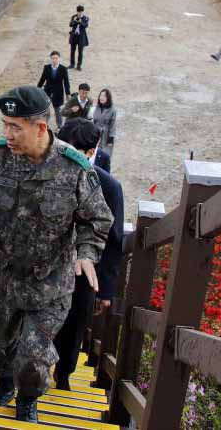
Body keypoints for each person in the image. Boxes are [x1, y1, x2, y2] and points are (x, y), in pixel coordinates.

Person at [0, 86, 113, 422]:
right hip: (3, 279)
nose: (7, 134)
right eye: (5, 125)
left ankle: (28, 398)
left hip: (50, 285)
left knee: (33, 356)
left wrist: (87, 252)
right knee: (1, 346)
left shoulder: (73, 167)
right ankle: (4, 382)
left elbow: (97, 219)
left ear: (40, 127)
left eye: (15, 127)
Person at [52, 119, 124, 391]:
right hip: (45, 265)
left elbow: (114, 240)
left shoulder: (109, 187)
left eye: (75, 151)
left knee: (74, 324)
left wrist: (105, 289)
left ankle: (64, 373)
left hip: (84, 270)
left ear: (91, 152)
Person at [37, 51, 71, 128]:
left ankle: (59, 126)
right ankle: (44, 125)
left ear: (59, 59)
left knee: (57, 110)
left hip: (58, 92)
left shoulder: (63, 69)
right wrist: (37, 89)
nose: (54, 60)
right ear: (51, 59)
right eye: (53, 58)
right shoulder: (46, 67)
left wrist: (68, 93)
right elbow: (42, 79)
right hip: (47, 91)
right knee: (45, 109)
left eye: (56, 58)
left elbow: (66, 82)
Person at [91, 88, 117, 158]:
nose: (102, 97)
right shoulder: (97, 107)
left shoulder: (112, 110)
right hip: (96, 133)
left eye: (104, 96)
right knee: (94, 154)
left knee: (105, 155)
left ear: (108, 98)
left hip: (106, 135)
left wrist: (111, 138)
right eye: (101, 95)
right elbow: (94, 120)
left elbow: (113, 124)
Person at [68, 5, 89, 71]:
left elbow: (86, 25)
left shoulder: (85, 18)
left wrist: (80, 22)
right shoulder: (74, 16)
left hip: (81, 37)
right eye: (78, 12)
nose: (79, 13)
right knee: (72, 51)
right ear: (77, 11)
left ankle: (79, 66)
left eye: (81, 12)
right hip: (74, 36)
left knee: (80, 52)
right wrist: (74, 21)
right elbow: (70, 25)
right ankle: (72, 64)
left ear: (83, 11)